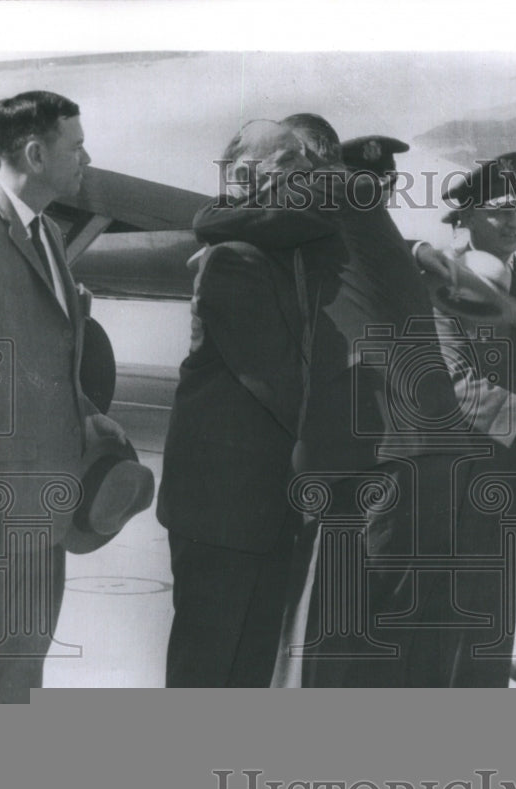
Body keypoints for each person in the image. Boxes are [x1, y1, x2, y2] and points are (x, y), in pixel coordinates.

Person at [195, 113, 479, 687]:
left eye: (280, 165)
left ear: (313, 157)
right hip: (410, 448)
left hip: (390, 448)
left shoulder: (332, 185)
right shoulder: (352, 221)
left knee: (345, 635)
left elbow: (211, 218)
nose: (276, 179)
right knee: (391, 640)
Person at [0, 90, 127, 703]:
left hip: (48, 505)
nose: (86, 158)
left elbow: (53, 358)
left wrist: (88, 416)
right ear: (35, 152)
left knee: (20, 676)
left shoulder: (51, 237)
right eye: (76, 146)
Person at [156, 120, 329, 687]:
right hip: (222, 514)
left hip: (262, 511)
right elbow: (275, 383)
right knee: (206, 671)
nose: (307, 184)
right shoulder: (234, 258)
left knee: (249, 671)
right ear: (252, 176)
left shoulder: (270, 253)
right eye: (294, 171)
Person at [428, 152, 516, 686]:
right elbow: (450, 381)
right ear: (467, 218)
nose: (514, 219)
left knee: (497, 614)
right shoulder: (441, 280)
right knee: (454, 617)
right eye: (500, 210)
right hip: (463, 476)